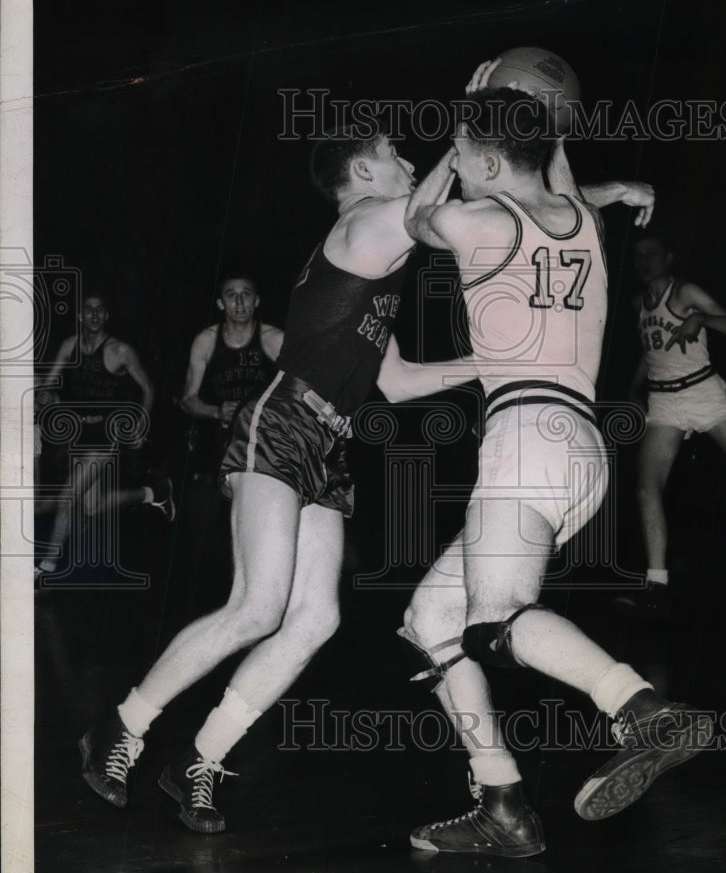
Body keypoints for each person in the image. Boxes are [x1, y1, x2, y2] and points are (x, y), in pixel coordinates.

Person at [78, 124, 482, 833]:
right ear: (362, 169)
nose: (409, 161)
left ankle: (198, 760)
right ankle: (121, 728)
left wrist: (492, 363)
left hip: (327, 444)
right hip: (283, 423)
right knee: (256, 607)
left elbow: (399, 382)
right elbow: (436, 211)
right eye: (396, 153)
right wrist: (471, 131)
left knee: (315, 618)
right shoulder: (363, 222)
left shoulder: (378, 264)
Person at [399, 77, 712, 857]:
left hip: (522, 443)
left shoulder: (473, 221)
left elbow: (414, 217)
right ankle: (502, 804)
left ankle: (641, 709)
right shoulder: (581, 221)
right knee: (430, 624)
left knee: (494, 621)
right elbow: (562, 180)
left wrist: (457, 139)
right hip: (580, 450)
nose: (461, 168)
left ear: (492, 166)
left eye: (470, 157)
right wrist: (528, 122)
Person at [613, 231, 726, 620]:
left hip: (703, 393)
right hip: (664, 402)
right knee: (646, 488)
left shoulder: (686, 293)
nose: (643, 261)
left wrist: (702, 319)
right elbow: (651, 350)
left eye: (651, 253)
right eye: (637, 256)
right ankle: (656, 587)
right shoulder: (639, 303)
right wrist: (634, 387)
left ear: (668, 257)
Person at [34, 291, 174, 584]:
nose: (95, 315)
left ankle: (46, 564)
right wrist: (45, 397)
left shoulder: (120, 351)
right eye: (89, 309)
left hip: (105, 434)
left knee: (68, 496)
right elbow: (48, 386)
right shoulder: (70, 346)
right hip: (79, 432)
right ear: (80, 316)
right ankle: (155, 493)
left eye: (100, 310)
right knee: (91, 506)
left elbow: (148, 387)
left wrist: (141, 423)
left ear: (106, 316)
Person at [180, 273, 283, 479]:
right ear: (220, 303)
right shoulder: (206, 341)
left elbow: (299, 392)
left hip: (266, 436)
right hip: (221, 440)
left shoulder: (276, 339)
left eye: (246, 294)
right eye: (231, 295)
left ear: (256, 301)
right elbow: (187, 400)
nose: (239, 302)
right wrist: (218, 412)